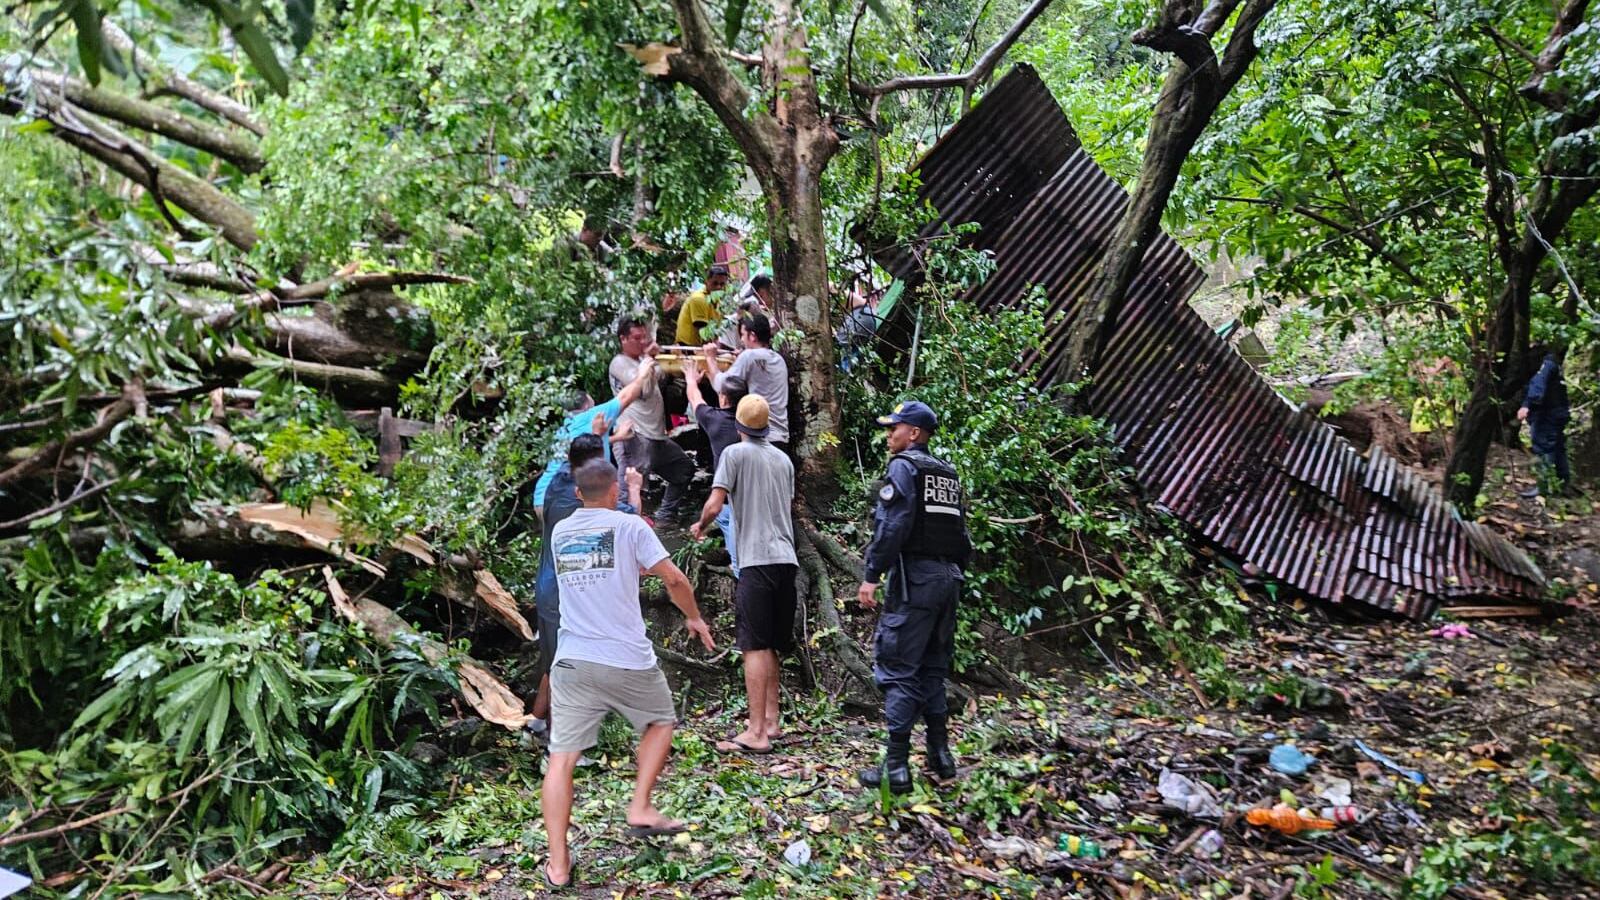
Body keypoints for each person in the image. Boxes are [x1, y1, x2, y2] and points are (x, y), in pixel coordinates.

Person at [542, 459, 715, 890]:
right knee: (660, 722)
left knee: (562, 759)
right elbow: (673, 579)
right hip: (627, 659)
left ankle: (559, 865)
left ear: (578, 494)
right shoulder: (630, 527)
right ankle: (640, 806)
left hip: (573, 660)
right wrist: (694, 617)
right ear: (616, 489)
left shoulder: (561, 532)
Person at [855, 401, 971, 794]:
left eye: (895, 428)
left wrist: (871, 575)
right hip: (948, 579)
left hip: (916, 580)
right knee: (933, 668)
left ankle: (896, 768)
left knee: (899, 666)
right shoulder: (947, 474)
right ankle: (941, 756)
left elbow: (893, 524)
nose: (890, 435)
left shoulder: (904, 467)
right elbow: (962, 535)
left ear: (914, 434)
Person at [689, 395, 796, 754]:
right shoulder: (783, 460)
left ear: (738, 427)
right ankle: (771, 720)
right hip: (786, 560)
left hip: (756, 559)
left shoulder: (734, 454)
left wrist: (701, 525)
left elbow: (715, 503)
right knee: (770, 643)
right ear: (766, 427)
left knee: (753, 644)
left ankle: (755, 732)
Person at [527, 435, 645, 740]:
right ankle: (562, 745)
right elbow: (635, 524)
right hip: (565, 593)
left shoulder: (558, 481)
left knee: (553, 658)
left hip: (548, 586)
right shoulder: (582, 496)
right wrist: (633, 488)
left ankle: (537, 721)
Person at [532, 356, 657, 514]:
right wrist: (643, 374)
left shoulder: (563, 429)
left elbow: (582, 449)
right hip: (570, 499)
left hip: (543, 499)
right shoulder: (591, 416)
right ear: (586, 407)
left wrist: (616, 438)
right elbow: (625, 397)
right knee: (627, 517)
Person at [610, 316, 695, 522]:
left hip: (655, 435)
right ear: (623, 339)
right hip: (635, 435)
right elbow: (644, 390)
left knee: (684, 469)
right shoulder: (619, 363)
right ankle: (626, 531)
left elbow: (662, 378)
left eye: (644, 338)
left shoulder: (643, 361)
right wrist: (649, 359)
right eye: (637, 338)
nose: (642, 342)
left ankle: (665, 516)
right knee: (629, 490)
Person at [682, 358, 748, 577]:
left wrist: (690, 379)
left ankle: (739, 570)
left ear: (723, 398)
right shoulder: (753, 422)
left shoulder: (716, 421)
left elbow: (695, 398)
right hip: (756, 495)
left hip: (730, 500)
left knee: (725, 517)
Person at [704, 313, 789, 452]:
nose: (742, 340)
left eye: (743, 335)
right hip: (781, 438)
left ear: (752, 336)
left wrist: (710, 359)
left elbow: (720, 385)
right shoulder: (779, 359)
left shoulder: (749, 356)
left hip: (760, 438)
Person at [1518, 351, 1571, 497]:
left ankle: (1543, 487)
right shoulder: (1554, 364)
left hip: (1547, 414)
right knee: (1558, 447)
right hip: (1558, 412)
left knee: (1543, 447)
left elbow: (1538, 385)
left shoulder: (1545, 364)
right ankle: (1562, 483)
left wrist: (1527, 405)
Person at [677, 265, 728, 346]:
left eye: (722, 284)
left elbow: (714, 334)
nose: (719, 287)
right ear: (706, 281)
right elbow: (704, 334)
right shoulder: (699, 298)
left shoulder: (717, 301)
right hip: (689, 348)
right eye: (715, 283)